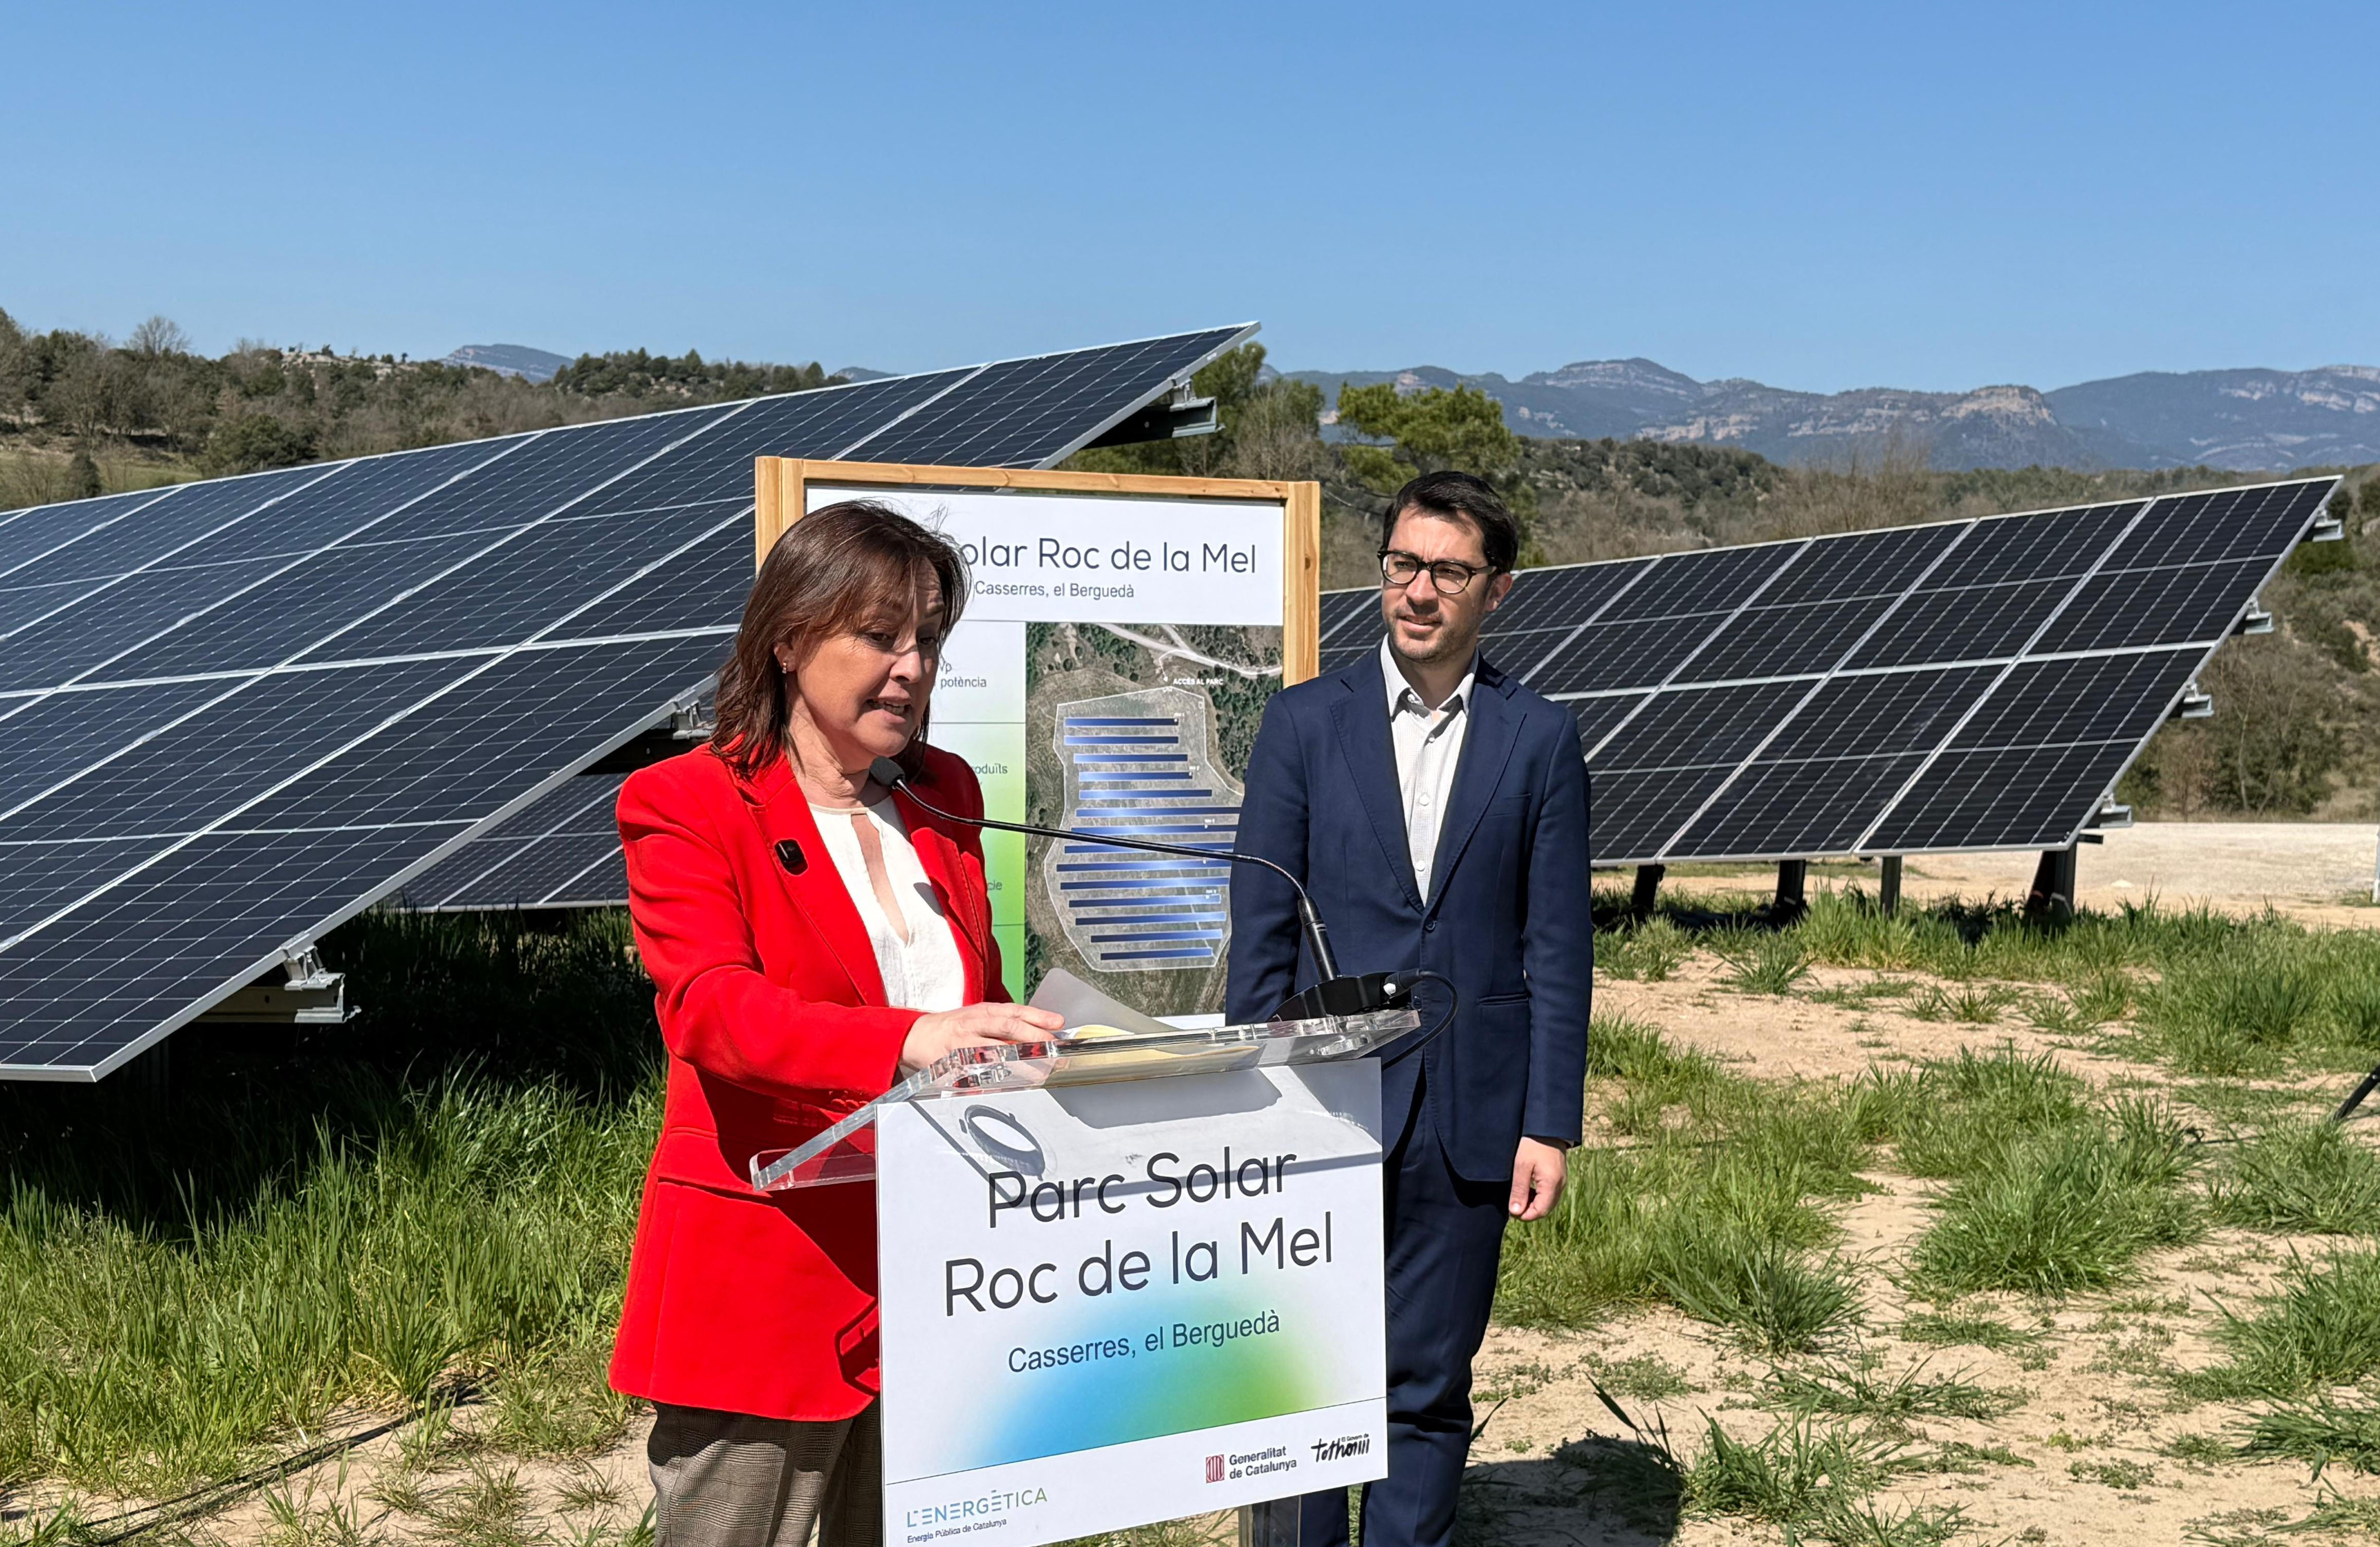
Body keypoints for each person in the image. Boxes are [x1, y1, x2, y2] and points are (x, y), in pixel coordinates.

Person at [608, 501, 1063, 1547]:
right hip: (766, 1283)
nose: (911, 667)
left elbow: (972, 990)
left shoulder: (944, 793)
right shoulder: (686, 802)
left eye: (928, 639)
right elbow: (713, 1010)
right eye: (879, 635)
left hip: (942, 1274)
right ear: (788, 639)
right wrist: (910, 1039)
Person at [1227, 470, 1593, 1547]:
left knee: (1428, 1386)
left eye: (1448, 571)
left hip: (1471, 1110)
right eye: (1401, 564)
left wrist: (1547, 1121)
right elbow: (1261, 926)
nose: (1418, 590)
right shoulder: (1304, 723)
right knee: (1298, 1379)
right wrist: (1252, 1097)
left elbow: (1556, 945)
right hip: (1320, 1099)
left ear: (1497, 589)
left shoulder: (1539, 738)